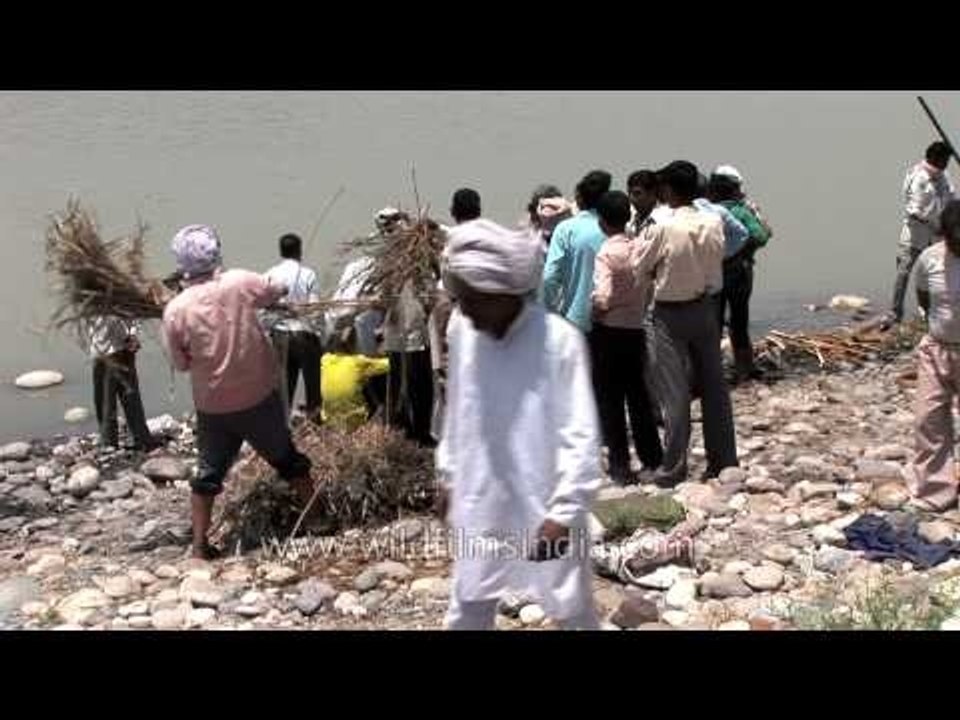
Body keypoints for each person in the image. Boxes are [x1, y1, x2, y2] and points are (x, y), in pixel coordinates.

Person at [437, 218, 602, 631]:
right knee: (469, 602)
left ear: (502, 293)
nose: (466, 309)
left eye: (473, 299)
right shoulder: (464, 331)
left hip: (545, 498)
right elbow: (458, 411)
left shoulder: (558, 340)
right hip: (481, 494)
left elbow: (579, 434)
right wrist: (448, 475)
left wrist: (564, 513)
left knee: (570, 608)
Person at [161, 224, 315, 559]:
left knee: (208, 474)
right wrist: (279, 291)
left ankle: (200, 546)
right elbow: (276, 289)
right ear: (215, 252)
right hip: (258, 396)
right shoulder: (240, 282)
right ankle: (318, 519)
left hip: (213, 405)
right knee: (288, 459)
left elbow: (181, 363)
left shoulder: (175, 309)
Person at [633, 161, 738, 487]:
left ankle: (673, 468)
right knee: (715, 388)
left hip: (669, 313)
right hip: (705, 308)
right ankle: (723, 459)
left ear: (667, 190)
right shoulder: (713, 220)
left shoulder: (662, 224)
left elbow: (639, 266)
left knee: (674, 394)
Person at [591, 191, 663, 483]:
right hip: (635, 329)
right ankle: (653, 457)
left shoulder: (607, 253)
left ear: (602, 223)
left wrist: (596, 309)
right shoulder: (640, 249)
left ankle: (620, 465)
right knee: (639, 397)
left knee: (610, 399)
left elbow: (603, 295)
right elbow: (650, 287)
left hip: (609, 331)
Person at [908, 200, 960, 512]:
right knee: (928, 420)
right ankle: (935, 492)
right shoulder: (930, 259)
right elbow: (924, 297)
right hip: (937, 350)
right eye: (955, 241)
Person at [376, 208, 436, 447]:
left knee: (411, 383)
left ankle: (413, 431)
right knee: (413, 383)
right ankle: (411, 432)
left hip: (410, 329)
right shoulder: (395, 256)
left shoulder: (407, 252)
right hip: (405, 330)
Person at [706, 171, 770, 380]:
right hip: (740, 272)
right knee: (739, 321)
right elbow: (761, 236)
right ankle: (745, 368)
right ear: (734, 191)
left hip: (711, 274)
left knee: (712, 323)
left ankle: (711, 371)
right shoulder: (741, 212)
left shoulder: (704, 212)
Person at [889, 141, 956, 324]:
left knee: (939, 273)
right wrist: (934, 224)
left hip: (938, 237)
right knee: (904, 272)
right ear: (936, 158)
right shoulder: (917, 176)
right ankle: (895, 314)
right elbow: (914, 210)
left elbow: (952, 200)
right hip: (914, 235)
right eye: (945, 160)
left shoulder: (944, 177)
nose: (946, 164)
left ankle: (932, 314)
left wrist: (949, 223)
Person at [264, 233, 323, 420]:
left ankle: (282, 429)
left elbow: (262, 307)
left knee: (284, 388)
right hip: (304, 335)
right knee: (313, 386)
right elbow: (314, 309)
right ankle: (314, 425)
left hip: (280, 335)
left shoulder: (269, 275)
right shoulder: (308, 274)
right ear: (299, 250)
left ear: (281, 251)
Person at [84, 315, 159, 451]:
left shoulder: (116, 300)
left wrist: (132, 335)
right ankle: (133, 438)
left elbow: (132, 315)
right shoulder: (99, 303)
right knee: (118, 399)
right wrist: (131, 335)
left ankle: (120, 441)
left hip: (117, 351)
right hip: (108, 353)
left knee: (123, 398)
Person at [320, 326, 391, 432]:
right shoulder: (359, 362)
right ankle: (386, 417)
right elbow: (390, 364)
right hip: (355, 422)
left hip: (330, 422)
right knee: (376, 378)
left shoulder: (325, 359)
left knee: (361, 380)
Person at [626, 170, 660, 237]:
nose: (631, 199)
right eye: (629, 193)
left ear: (652, 193)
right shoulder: (629, 220)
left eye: (637, 193)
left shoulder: (664, 221)